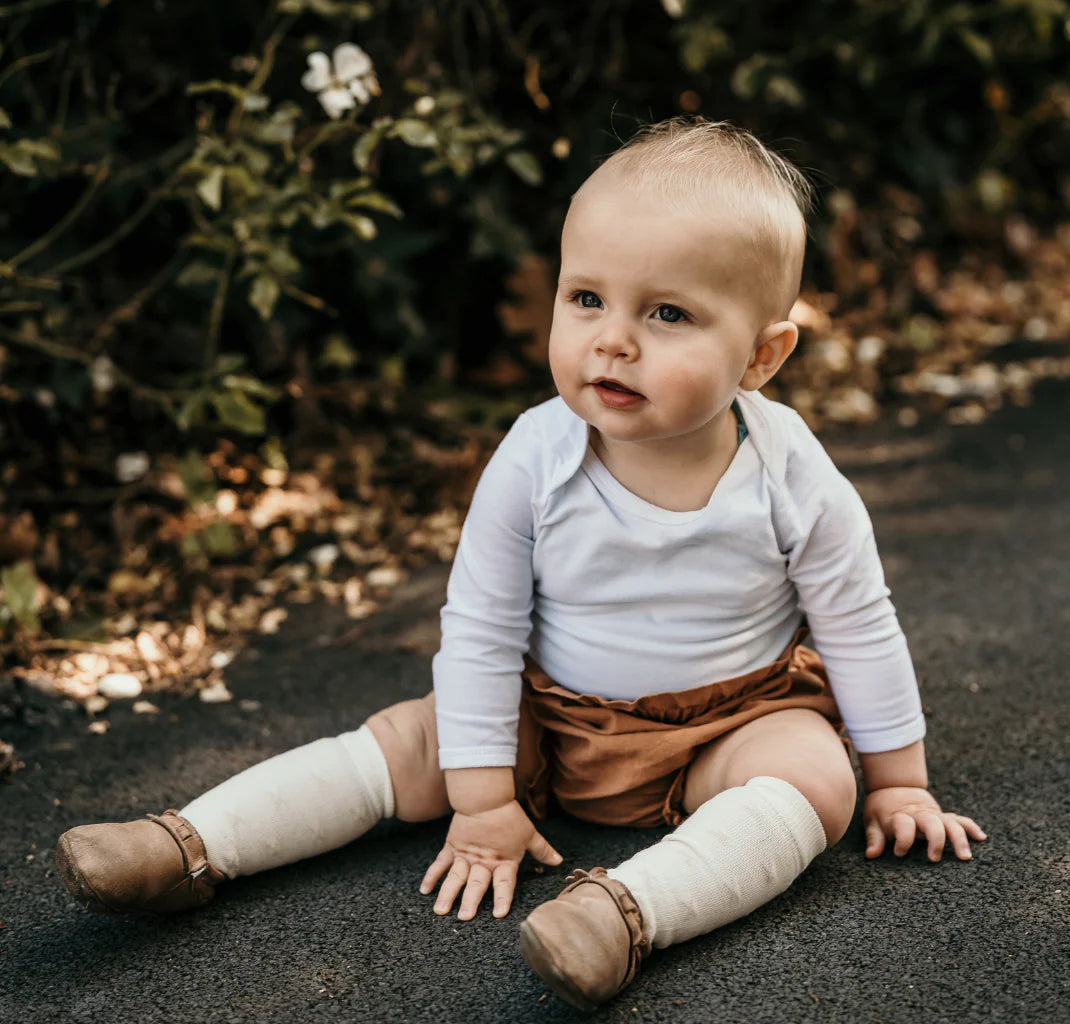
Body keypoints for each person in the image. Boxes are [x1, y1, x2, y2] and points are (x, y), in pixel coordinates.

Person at [56, 118, 985, 1010]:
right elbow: (482, 628)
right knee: (418, 741)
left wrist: (899, 779)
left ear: (762, 356)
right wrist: (482, 800)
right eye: (586, 299)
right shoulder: (536, 458)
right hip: (549, 715)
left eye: (667, 313)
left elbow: (857, 621)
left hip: (729, 725)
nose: (612, 339)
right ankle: (192, 844)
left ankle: (623, 914)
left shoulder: (790, 472)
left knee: (817, 776)